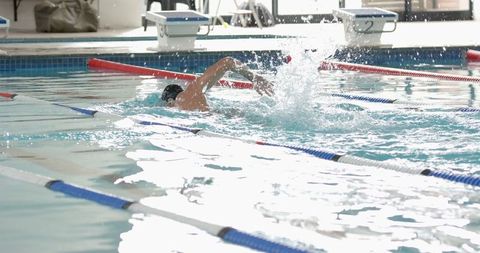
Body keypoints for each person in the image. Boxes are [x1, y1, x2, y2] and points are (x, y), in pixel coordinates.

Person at [160, 57, 274, 111]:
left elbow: (227, 61)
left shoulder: (190, 92)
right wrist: (254, 77)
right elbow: (228, 62)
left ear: (170, 101)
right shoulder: (196, 90)